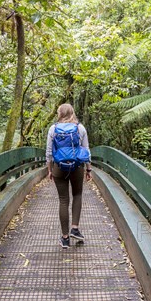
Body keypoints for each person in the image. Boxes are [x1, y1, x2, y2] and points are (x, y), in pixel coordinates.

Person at [46, 103, 92, 249]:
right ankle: (75, 229)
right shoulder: (80, 128)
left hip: (59, 167)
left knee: (63, 200)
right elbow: (86, 150)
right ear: (72, 113)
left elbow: (48, 152)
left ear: (59, 113)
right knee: (77, 195)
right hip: (77, 166)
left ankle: (65, 238)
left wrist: (49, 170)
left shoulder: (53, 129)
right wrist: (88, 169)